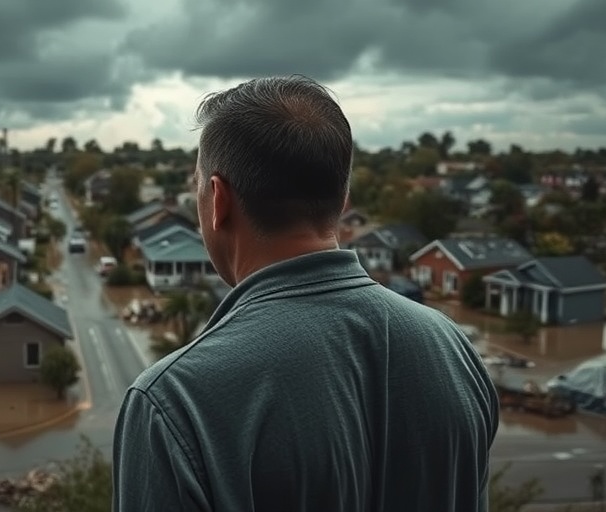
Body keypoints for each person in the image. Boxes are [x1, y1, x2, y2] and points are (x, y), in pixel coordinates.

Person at [112, 75, 499, 512]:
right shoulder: (454, 353)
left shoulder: (175, 402)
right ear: (343, 198)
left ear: (218, 200)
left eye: (196, 186)